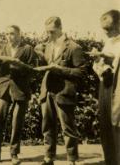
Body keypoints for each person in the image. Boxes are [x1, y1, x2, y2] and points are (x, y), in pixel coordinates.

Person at [34, 17, 86, 165]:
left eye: (52, 31)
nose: (48, 35)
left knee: (67, 128)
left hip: (64, 92)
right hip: (47, 90)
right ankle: (48, 158)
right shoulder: (48, 46)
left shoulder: (74, 47)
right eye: (47, 32)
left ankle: (72, 160)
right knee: (47, 126)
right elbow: (45, 66)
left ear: (60, 28)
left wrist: (61, 69)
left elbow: (81, 72)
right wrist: (40, 54)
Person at [0, 26, 37, 164]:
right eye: (7, 34)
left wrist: (17, 64)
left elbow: (33, 70)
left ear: (19, 34)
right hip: (3, 88)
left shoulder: (27, 49)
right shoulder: (3, 47)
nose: (9, 36)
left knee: (17, 123)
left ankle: (14, 154)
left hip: (20, 88)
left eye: (12, 34)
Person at [90, 10, 120, 165]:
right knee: (106, 125)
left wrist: (111, 60)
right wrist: (99, 60)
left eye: (109, 28)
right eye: (104, 29)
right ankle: (110, 161)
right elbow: (103, 68)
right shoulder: (109, 42)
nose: (106, 32)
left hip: (118, 89)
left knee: (117, 125)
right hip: (107, 87)